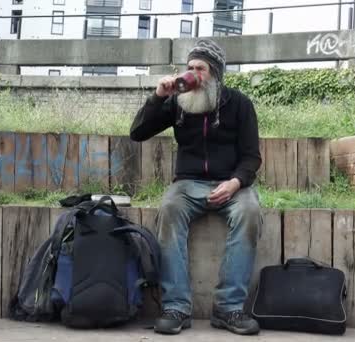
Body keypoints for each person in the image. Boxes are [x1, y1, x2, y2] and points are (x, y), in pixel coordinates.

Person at [129, 38, 262, 336]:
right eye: (189, 68)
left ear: (215, 72)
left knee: (250, 211)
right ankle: (176, 307)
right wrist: (157, 97)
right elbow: (137, 133)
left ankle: (229, 308)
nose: (192, 74)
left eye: (199, 68)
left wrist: (235, 182)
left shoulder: (239, 104)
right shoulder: (178, 103)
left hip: (232, 185)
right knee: (170, 208)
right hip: (188, 185)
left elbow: (252, 156)